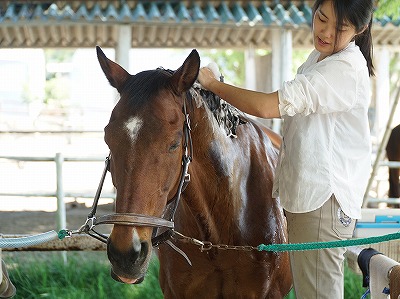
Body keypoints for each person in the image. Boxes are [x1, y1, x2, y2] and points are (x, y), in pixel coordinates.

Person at [198, 0, 374, 298]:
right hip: (312, 201)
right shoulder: (320, 58)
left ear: (360, 29)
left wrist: (214, 85)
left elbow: (268, 105)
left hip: (322, 202)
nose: (326, 32)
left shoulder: (343, 68)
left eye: (340, 28)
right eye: (321, 18)